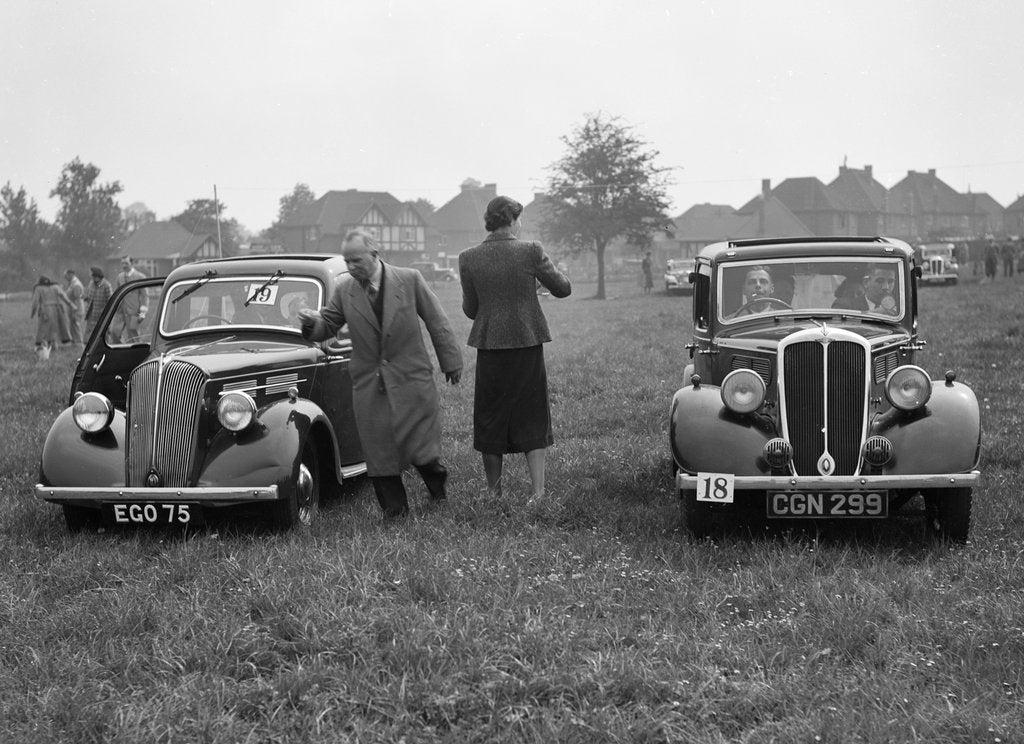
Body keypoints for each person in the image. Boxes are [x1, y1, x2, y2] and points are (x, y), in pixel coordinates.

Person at [298, 229, 463, 520]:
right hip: (370, 383)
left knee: (420, 447)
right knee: (378, 449)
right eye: (347, 261)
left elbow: (437, 320)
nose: (351, 267)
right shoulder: (345, 290)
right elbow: (328, 325)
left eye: (357, 260)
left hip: (411, 377)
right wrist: (313, 324)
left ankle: (437, 489)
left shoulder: (410, 279)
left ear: (375, 255)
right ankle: (394, 511)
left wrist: (451, 361)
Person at [458, 195, 572, 502]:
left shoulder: (468, 257)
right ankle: (538, 493)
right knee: (532, 414)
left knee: (490, 416)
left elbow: (471, 310)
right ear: (512, 220)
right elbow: (563, 289)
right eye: (519, 219)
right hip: (526, 342)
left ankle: (494, 492)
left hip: (489, 346)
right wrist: (534, 283)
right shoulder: (531, 250)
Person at [30, 275, 73, 354]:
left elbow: (35, 302)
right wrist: (71, 305)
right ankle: (53, 344)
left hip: (45, 310)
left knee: (43, 328)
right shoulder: (55, 287)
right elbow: (64, 296)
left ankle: (41, 346)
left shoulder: (38, 288)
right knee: (54, 327)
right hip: (57, 309)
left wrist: (33, 313)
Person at [110, 255, 148, 343]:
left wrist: (142, 313)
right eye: (122, 263)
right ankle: (121, 348)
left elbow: (145, 296)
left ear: (132, 263)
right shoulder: (119, 277)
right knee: (114, 332)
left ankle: (135, 350)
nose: (124, 266)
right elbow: (117, 293)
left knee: (133, 336)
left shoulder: (140, 277)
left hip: (134, 311)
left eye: (126, 263)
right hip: (120, 311)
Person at [84, 266, 113, 338]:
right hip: (91, 313)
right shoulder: (91, 283)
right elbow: (89, 295)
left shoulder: (106, 285)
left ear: (96, 275)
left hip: (101, 315)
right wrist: (85, 297)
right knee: (89, 334)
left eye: (91, 273)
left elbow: (110, 301)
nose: (90, 275)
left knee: (102, 334)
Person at [63, 269, 86, 344]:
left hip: (77, 308)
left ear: (71, 274)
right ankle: (75, 342)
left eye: (66, 275)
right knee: (73, 326)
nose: (65, 277)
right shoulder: (72, 283)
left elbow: (77, 295)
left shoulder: (76, 284)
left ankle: (79, 342)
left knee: (76, 325)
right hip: (73, 308)